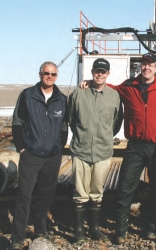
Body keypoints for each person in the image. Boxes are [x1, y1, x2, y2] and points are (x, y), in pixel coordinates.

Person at [80, 53, 156, 244]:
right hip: (135, 146)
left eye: (150, 65)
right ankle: (121, 230)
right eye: (143, 65)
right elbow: (109, 88)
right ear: (140, 67)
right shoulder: (129, 86)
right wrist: (90, 81)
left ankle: (152, 227)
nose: (146, 68)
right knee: (125, 187)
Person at [10, 61, 68, 250]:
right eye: (46, 73)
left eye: (53, 74)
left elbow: (64, 127)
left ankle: (40, 231)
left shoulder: (61, 99)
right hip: (31, 154)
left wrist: (58, 148)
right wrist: (22, 148)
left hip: (52, 156)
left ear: (56, 76)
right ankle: (17, 237)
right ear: (40, 74)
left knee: (46, 195)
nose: (49, 76)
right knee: (24, 196)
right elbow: (18, 123)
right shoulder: (27, 95)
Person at [68, 58, 123, 242]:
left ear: (108, 74)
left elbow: (116, 123)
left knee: (97, 191)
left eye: (103, 71)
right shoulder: (78, 94)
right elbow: (71, 119)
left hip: (102, 151)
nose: (100, 74)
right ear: (92, 72)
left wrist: (103, 136)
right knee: (80, 192)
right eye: (97, 71)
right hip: (81, 150)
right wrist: (84, 136)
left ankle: (94, 229)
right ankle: (78, 231)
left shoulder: (114, 96)